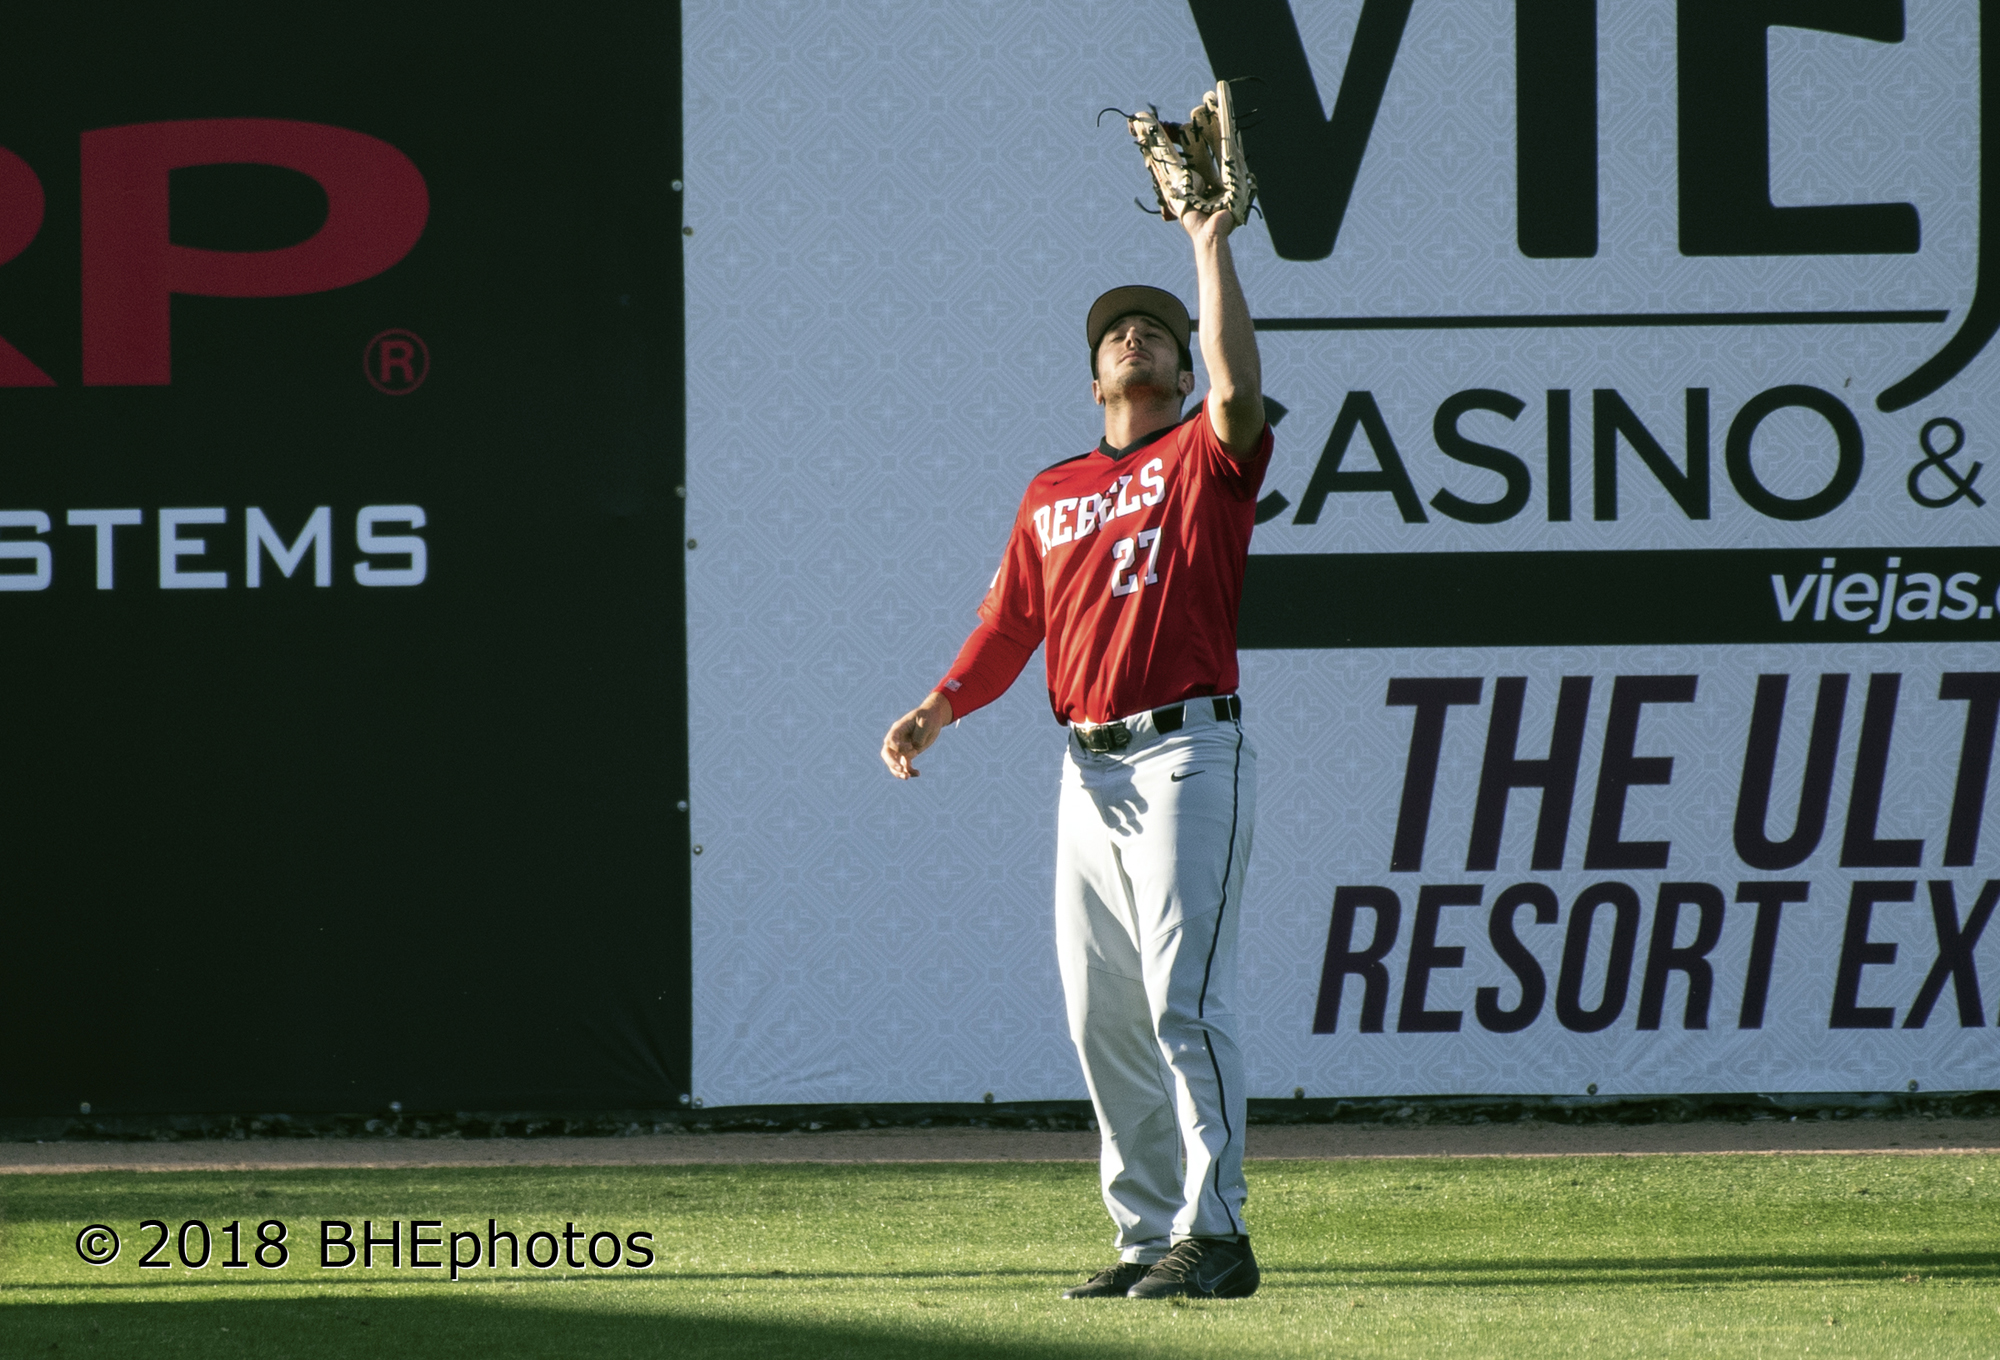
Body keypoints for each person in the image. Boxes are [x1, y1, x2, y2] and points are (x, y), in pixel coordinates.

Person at [879, 203, 1270, 1301]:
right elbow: (1011, 627)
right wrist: (938, 706)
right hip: (1086, 771)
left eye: (1156, 332)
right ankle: (1148, 1236)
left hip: (1186, 753)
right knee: (1104, 1020)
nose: (1132, 337)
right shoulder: (1052, 489)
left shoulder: (1203, 456)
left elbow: (1241, 391)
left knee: (1183, 1001)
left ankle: (1219, 1233)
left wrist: (1207, 244)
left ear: (1182, 370)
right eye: (1114, 335)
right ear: (1093, 380)